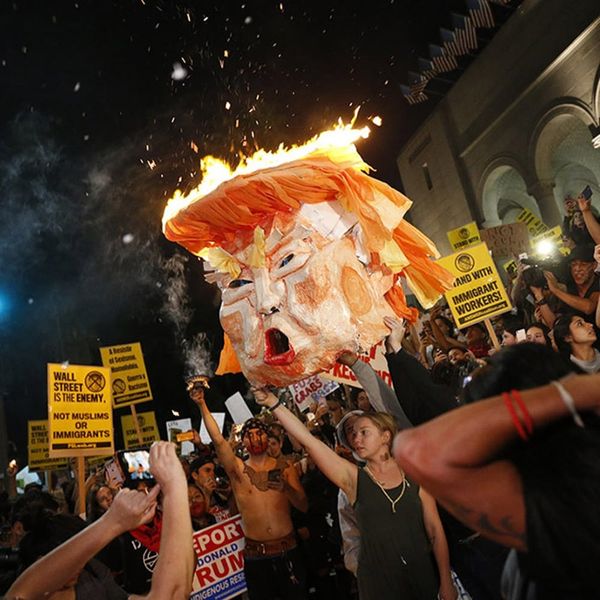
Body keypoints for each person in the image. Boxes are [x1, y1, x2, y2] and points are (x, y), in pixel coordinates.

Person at [393, 345, 600, 598]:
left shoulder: (538, 504)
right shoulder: (541, 498)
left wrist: (570, 393)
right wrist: (576, 389)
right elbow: (412, 450)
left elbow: (412, 450)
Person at [254, 388, 456, 600]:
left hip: (421, 577)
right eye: (353, 434)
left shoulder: (414, 473)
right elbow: (309, 442)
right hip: (379, 585)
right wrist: (273, 402)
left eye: (364, 432)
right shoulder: (353, 479)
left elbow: (435, 530)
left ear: (385, 436)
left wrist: (446, 580)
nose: (356, 438)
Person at [6, 441, 194, 600]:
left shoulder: (94, 577)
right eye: (72, 559)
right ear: (41, 561)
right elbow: (171, 595)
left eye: (81, 557)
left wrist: (114, 522)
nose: (78, 565)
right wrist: (174, 487)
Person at [192, 383, 309, 600]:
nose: (255, 438)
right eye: (250, 435)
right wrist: (202, 404)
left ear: (267, 436)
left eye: (259, 433)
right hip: (257, 558)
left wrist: (286, 489)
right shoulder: (238, 470)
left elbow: (303, 505)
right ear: (243, 441)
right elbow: (218, 440)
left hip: (288, 551)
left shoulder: (285, 467)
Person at [544, 244, 599, 317]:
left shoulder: (598, 282)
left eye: (583, 264)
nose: (577, 269)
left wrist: (555, 290)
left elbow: (589, 307)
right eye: (573, 264)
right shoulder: (568, 284)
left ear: (594, 265)